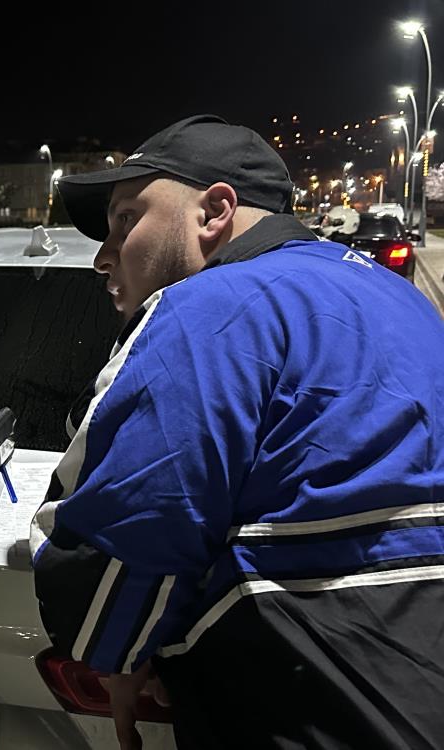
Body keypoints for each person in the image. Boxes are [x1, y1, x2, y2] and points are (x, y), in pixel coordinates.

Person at [30, 114, 444, 749]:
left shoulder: (207, 308)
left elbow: (122, 541)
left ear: (214, 212)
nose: (102, 257)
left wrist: (119, 654)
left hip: (310, 707)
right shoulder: (397, 296)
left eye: (125, 220)